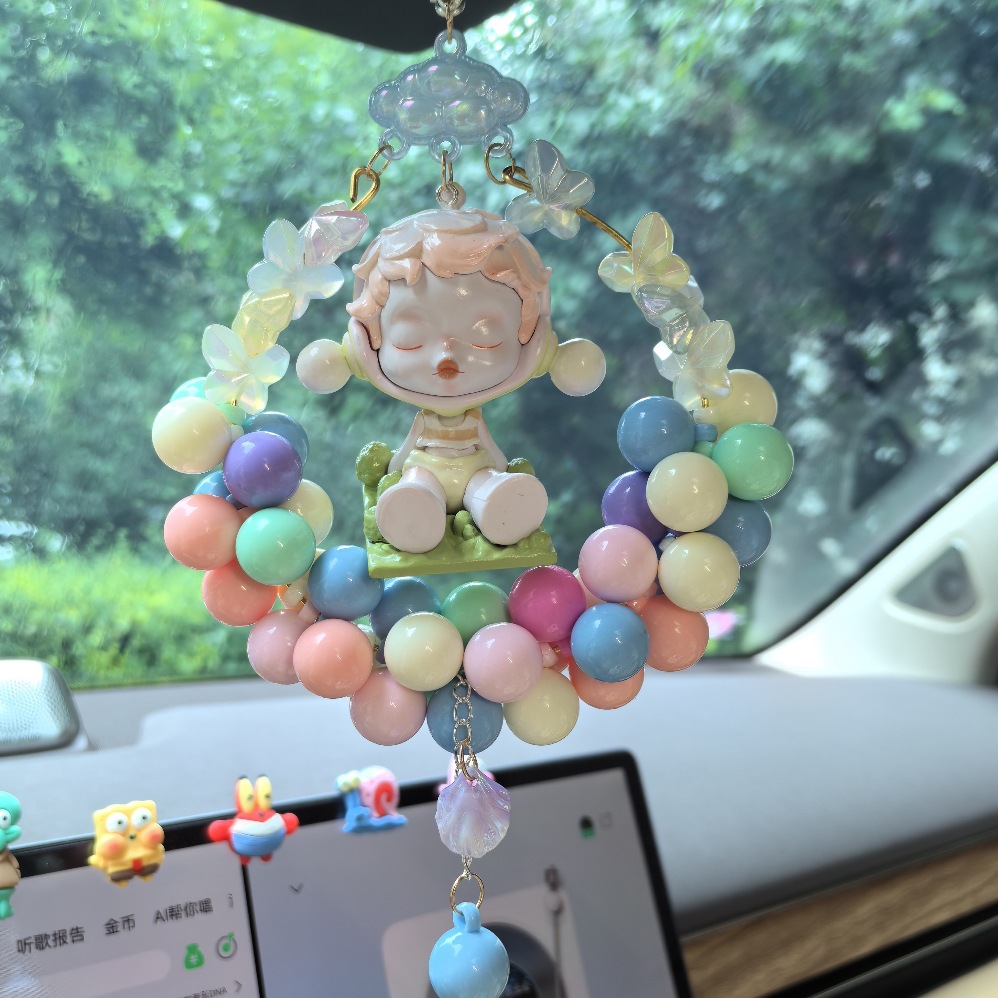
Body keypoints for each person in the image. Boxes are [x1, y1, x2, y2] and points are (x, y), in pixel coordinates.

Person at [345, 208, 554, 554]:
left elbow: (491, 450)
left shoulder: (473, 420)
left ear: (533, 341)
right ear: (366, 343)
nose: (447, 357)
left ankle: (502, 508)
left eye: (485, 337)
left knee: (487, 487)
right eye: (410, 338)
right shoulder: (425, 422)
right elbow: (407, 451)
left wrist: (501, 471)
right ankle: (411, 513)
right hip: (424, 469)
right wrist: (396, 473)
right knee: (416, 487)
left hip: (476, 469)